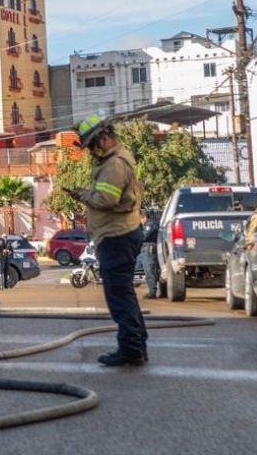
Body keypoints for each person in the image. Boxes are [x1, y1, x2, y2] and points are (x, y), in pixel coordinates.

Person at [66, 115, 148, 367]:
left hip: (116, 236)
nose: (91, 151)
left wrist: (82, 194)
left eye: (92, 145)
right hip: (119, 235)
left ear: (103, 138)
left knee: (118, 295)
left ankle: (131, 349)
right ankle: (136, 345)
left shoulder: (114, 165)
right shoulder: (116, 160)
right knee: (124, 293)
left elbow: (106, 200)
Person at [141, 209, 160, 299]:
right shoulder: (148, 224)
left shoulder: (150, 224)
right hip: (145, 251)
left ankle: (152, 292)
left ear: (143, 217)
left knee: (150, 271)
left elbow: (144, 236)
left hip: (149, 251)